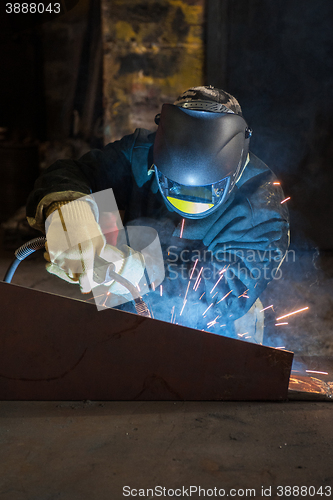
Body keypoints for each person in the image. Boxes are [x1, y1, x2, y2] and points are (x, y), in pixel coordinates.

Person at [26, 86, 289, 338]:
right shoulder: (141, 155)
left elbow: (226, 296)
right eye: (174, 186)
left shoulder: (261, 202)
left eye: (204, 192)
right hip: (126, 299)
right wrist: (70, 210)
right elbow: (70, 173)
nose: (188, 201)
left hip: (218, 320)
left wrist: (140, 274)